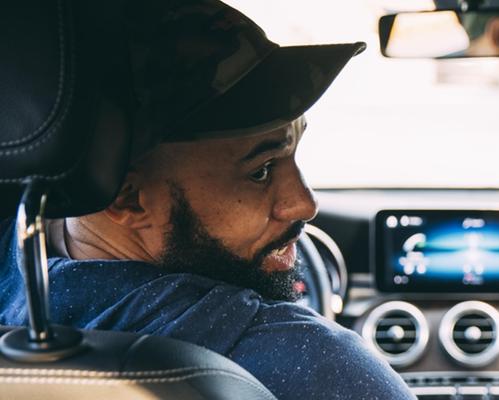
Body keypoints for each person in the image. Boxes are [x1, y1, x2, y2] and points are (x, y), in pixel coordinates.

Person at [0, 0, 414, 398]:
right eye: (261, 171)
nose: (305, 204)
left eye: (295, 150)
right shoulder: (317, 365)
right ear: (129, 200)